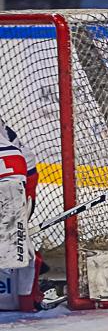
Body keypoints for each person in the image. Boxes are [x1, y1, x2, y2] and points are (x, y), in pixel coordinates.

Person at [0, 117, 43, 312]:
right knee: (16, 242)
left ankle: (23, 297)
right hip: (14, 164)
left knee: (15, 243)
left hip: (13, 167)